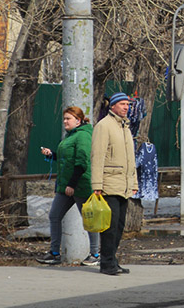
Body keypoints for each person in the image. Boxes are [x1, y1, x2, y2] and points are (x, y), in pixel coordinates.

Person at [36, 106, 100, 266]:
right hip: (65, 185)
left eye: (68, 119)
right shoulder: (70, 136)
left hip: (80, 185)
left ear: (78, 121)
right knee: (54, 216)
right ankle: (54, 253)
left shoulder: (83, 136)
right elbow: (67, 159)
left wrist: (72, 184)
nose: (65, 121)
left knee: (89, 219)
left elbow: (82, 161)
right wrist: (52, 155)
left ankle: (95, 253)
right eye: (64, 118)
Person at [92, 92, 138, 275]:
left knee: (119, 227)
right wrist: (97, 184)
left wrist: (133, 182)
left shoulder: (124, 127)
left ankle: (113, 260)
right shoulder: (104, 126)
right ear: (113, 107)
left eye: (128, 104)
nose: (126, 107)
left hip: (124, 185)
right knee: (109, 228)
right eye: (122, 104)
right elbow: (97, 156)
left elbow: (130, 159)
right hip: (109, 184)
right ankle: (106, 263)